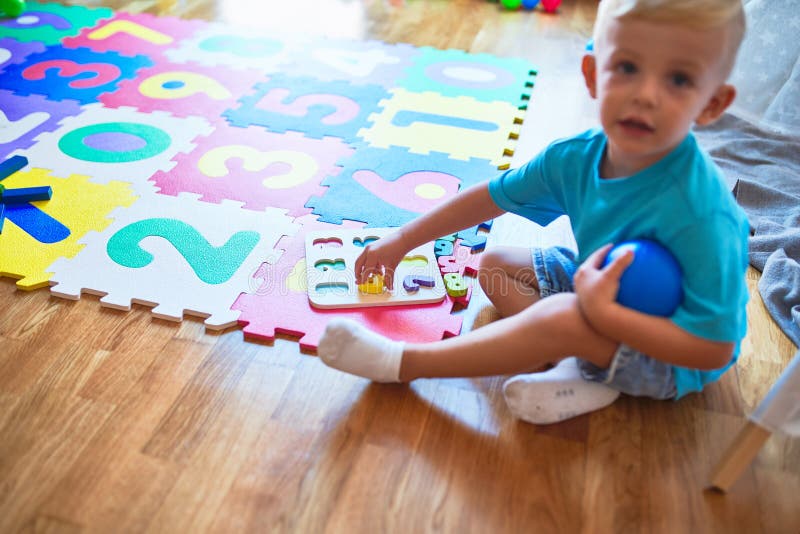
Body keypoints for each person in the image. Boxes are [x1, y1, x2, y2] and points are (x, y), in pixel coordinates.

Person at [317, 0, 750, 424]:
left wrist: (604, 317)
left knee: (563, 316)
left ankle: (404, 364)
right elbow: (490, 196)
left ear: (712, 104)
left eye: (678, 79)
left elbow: (713, 349)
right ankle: (577, 364)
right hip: (597, 289)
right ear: (592, 73)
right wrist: (402, 240)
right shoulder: (577, 158)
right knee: (494, 267)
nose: (646, 96)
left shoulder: (702, 214)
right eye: (628, 68)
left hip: (671, 357)